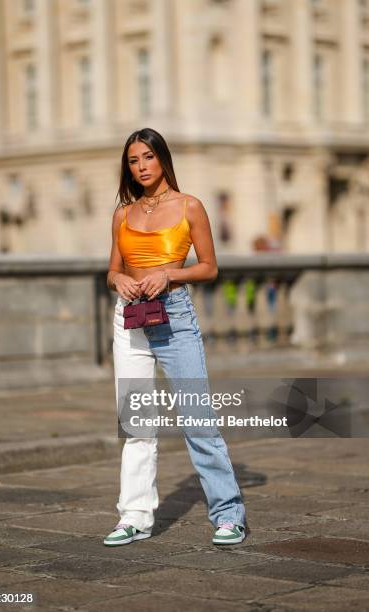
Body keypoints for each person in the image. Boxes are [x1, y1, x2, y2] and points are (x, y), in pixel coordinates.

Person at [104, 127, 246, 547]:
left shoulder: (190, 207)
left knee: (198, 420)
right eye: (133, 160)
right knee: (136, 424)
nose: (141, 167)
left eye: (148, 157)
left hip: (174, 316)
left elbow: (209, 267)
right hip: (128, 319)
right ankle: (134, 517)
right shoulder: (122, 214)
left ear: (162, 158)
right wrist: (119, 281)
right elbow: (113, 270)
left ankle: (228, 515)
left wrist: (169, 273)